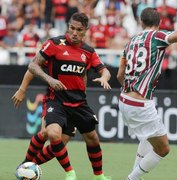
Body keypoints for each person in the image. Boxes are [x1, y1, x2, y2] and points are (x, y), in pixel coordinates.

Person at [117, 0, 177, 179]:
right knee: (163, 148)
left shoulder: (131, 41)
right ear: (159, 24)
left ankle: (134, 176)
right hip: (140, 104)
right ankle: (131, 178)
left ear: (141, 22)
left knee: (147, 138)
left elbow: (120, 75)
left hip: (124, 100)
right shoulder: (156, 37)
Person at [28, 12, 111, 180]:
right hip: (57, 101)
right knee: (52, 134)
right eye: (72, 28)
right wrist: (49, 79)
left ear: (86, 30)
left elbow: (105, 70)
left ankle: (99, 176)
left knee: (93, 139)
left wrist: (104, 77)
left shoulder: (88, 51)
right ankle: (70, 172)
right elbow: (33, 65)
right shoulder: (54, 43)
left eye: (79, 30)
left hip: (79, 103)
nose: (74, 32)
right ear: (68, 26)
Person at [12, 70, 75, 165]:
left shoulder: (87, 56)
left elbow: (95, 72)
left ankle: (29, 166)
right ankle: (26, 164)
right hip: (55, 100)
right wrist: (22, 90)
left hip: (75, 104)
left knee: (59, 145)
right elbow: (33, 67)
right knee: (46, 132)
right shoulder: (53, 55)